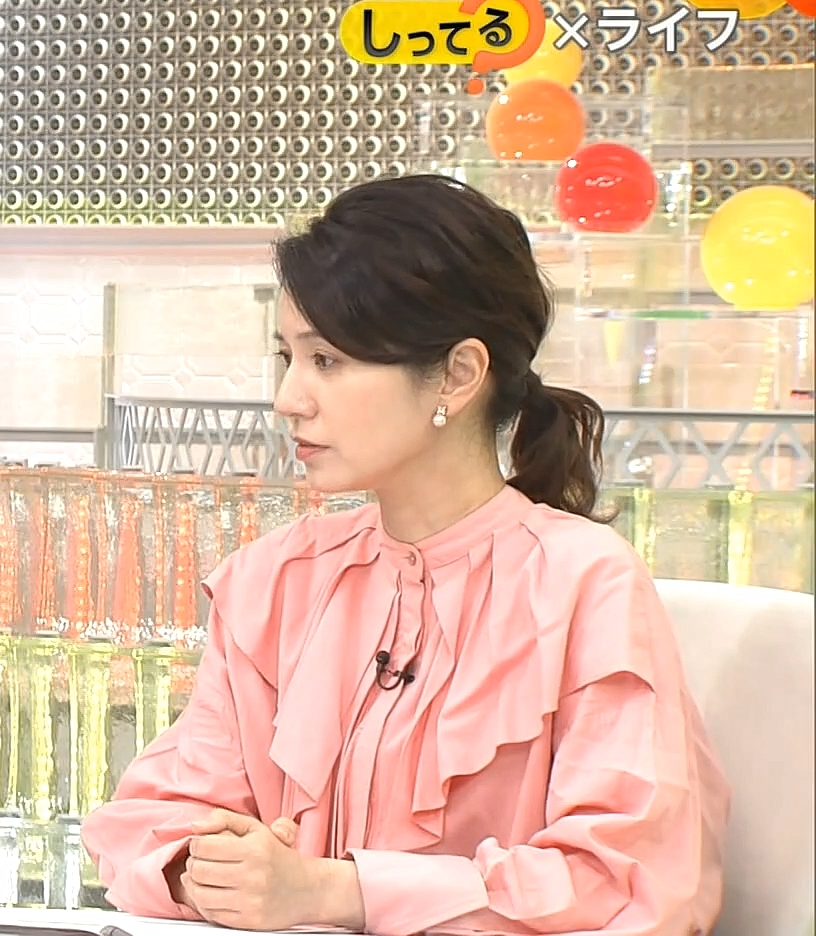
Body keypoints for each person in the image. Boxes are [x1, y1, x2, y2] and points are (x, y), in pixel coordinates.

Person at [82, 175, 728, 935]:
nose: (289, 398)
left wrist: (339, 892)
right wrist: (209, 873)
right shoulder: (277, 581)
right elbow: (153, 819)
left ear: (458, 374)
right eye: (288, 357)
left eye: (328, 361)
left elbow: (630, 883)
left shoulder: (585, 583)